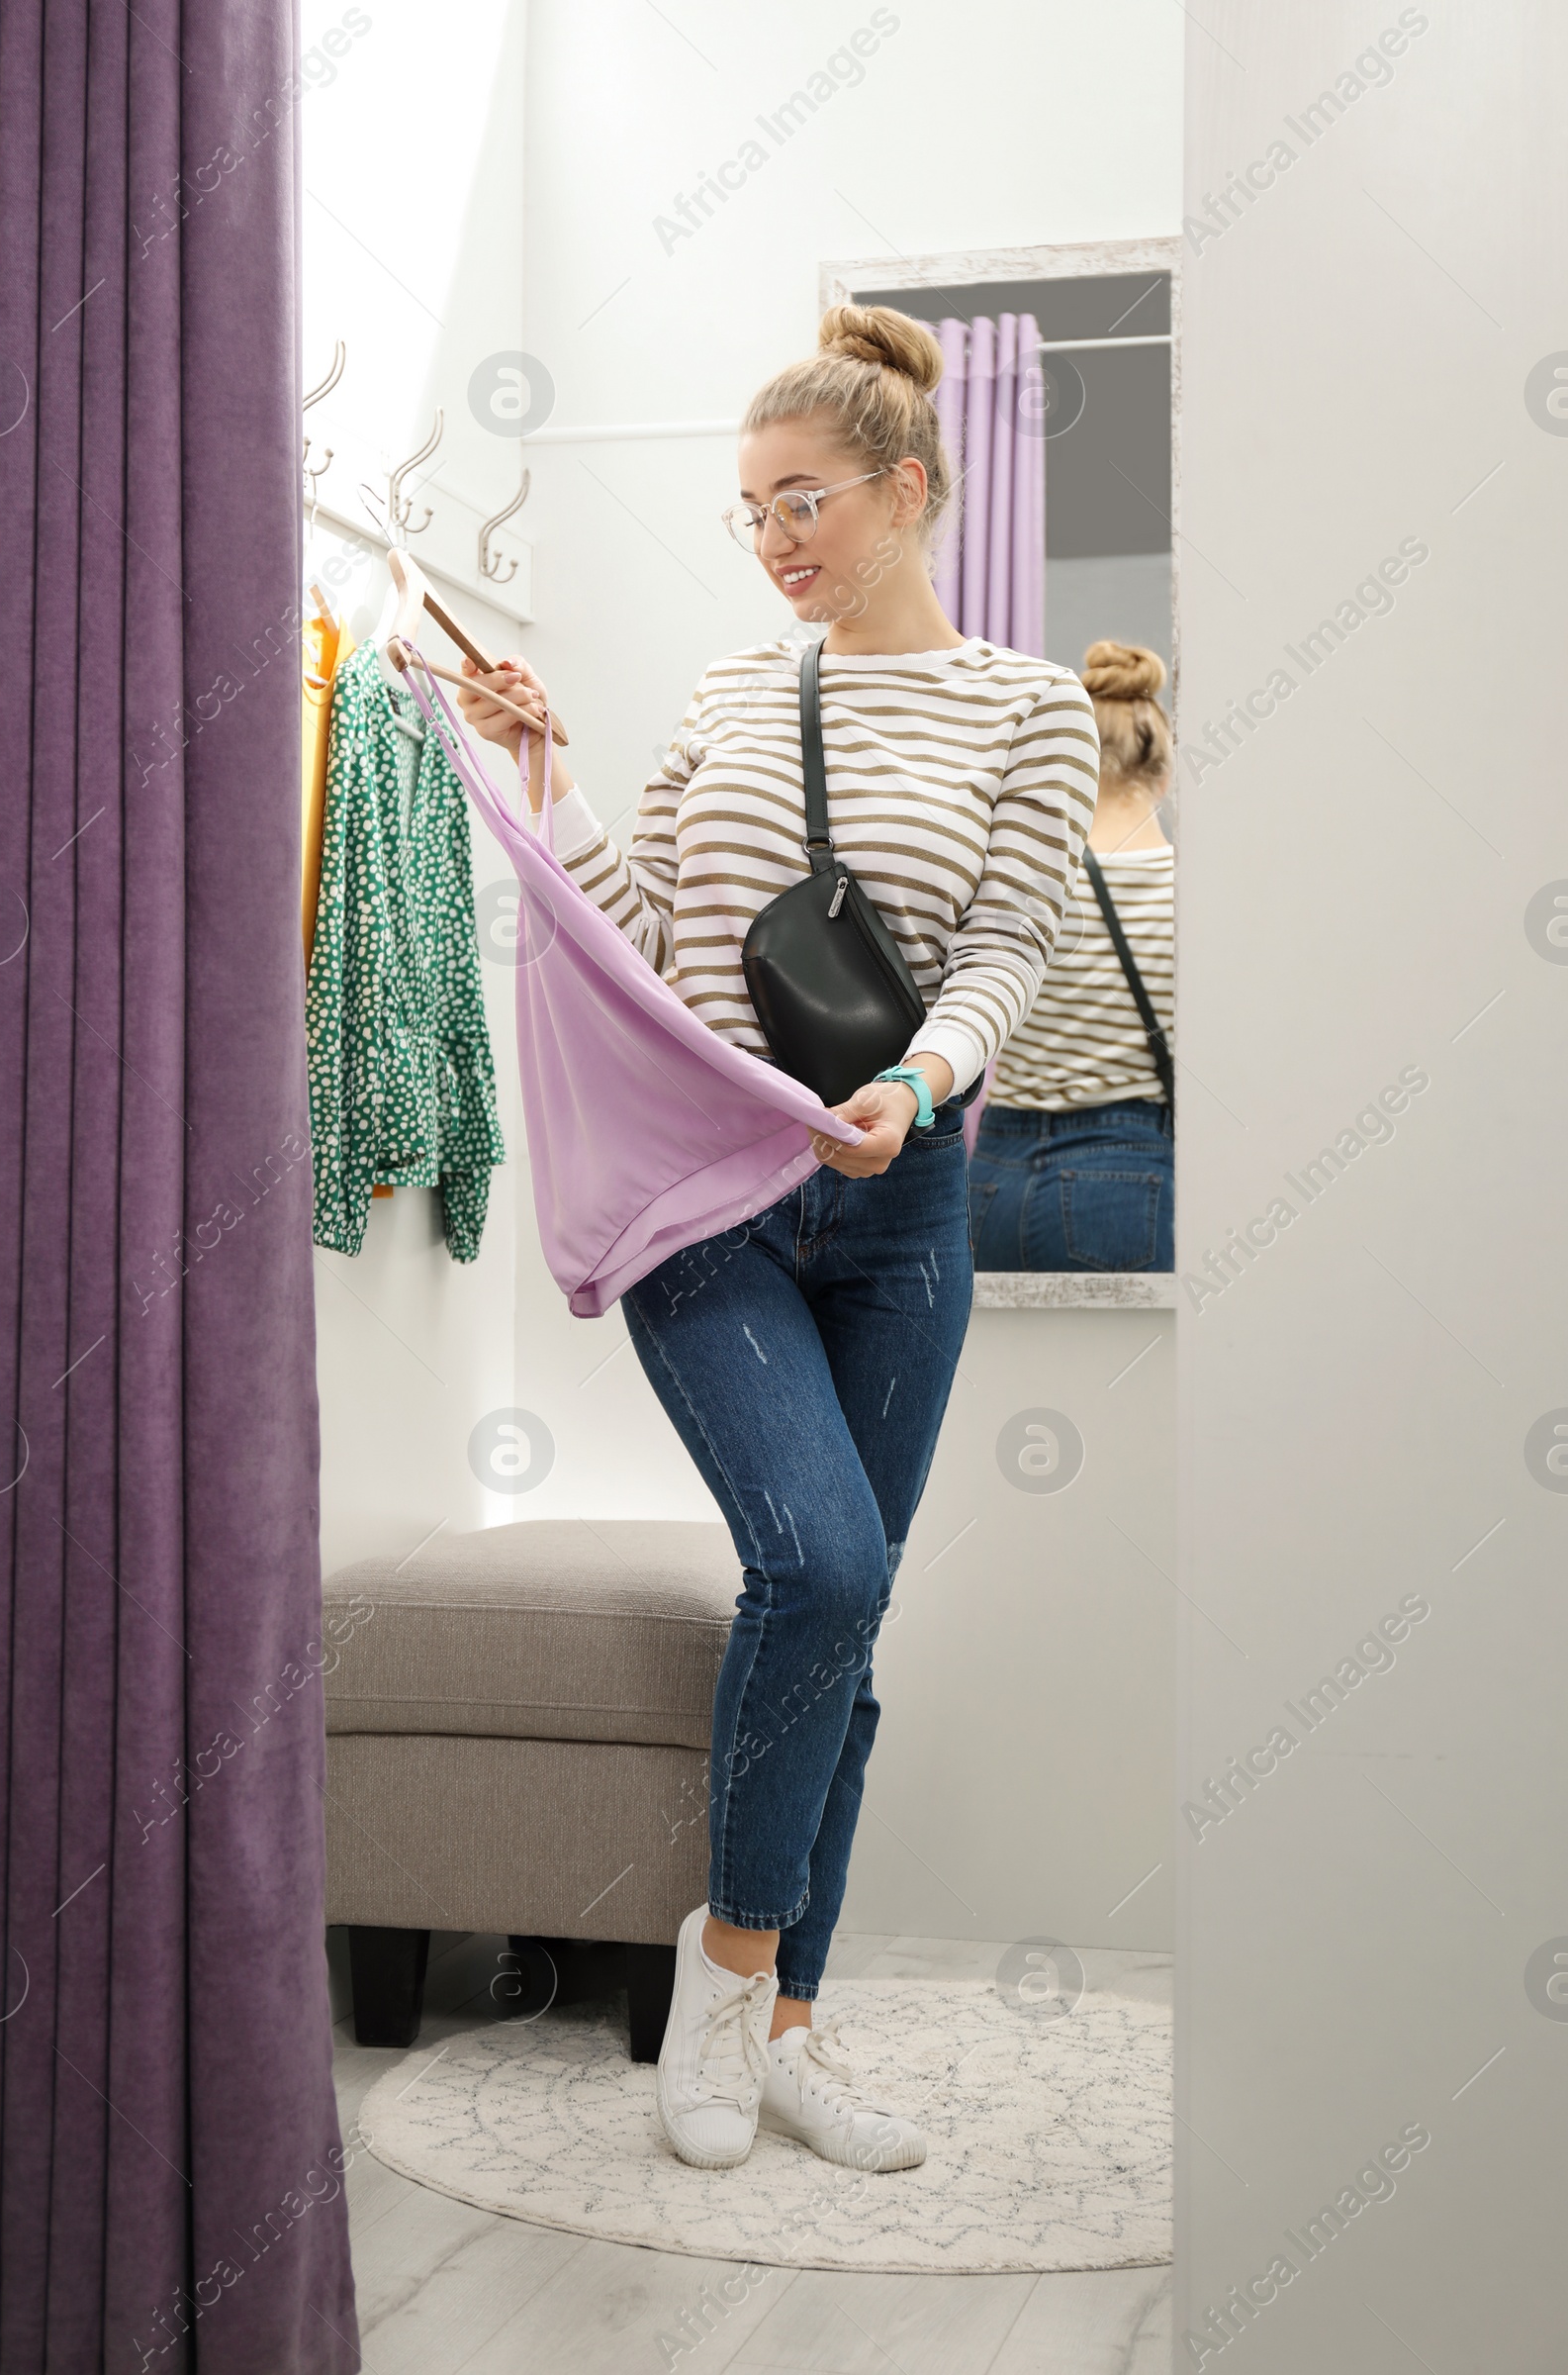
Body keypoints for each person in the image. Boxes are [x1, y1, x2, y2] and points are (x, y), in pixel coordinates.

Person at [456, 304, 1099, 2175]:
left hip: (905, 1209)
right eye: (750, 514)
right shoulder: (744, 694)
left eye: (802, 501)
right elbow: (655, 929)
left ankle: (785, 2030)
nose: (776, 541)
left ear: (912, 491)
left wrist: (925, 1079)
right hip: (713, 1202)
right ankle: (732, 1975)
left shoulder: (1032, 707)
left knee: (854, 1624)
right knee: (815, 1569)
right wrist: (548, 770)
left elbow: (1009, 946)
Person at [967, 640, 1174, 1273]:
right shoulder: (1195, 895)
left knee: (1004, 1374)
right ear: (1164, 769)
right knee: (1125, 1372)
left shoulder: (1018, 881)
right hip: (1125, 1177)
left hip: (990, 1181)